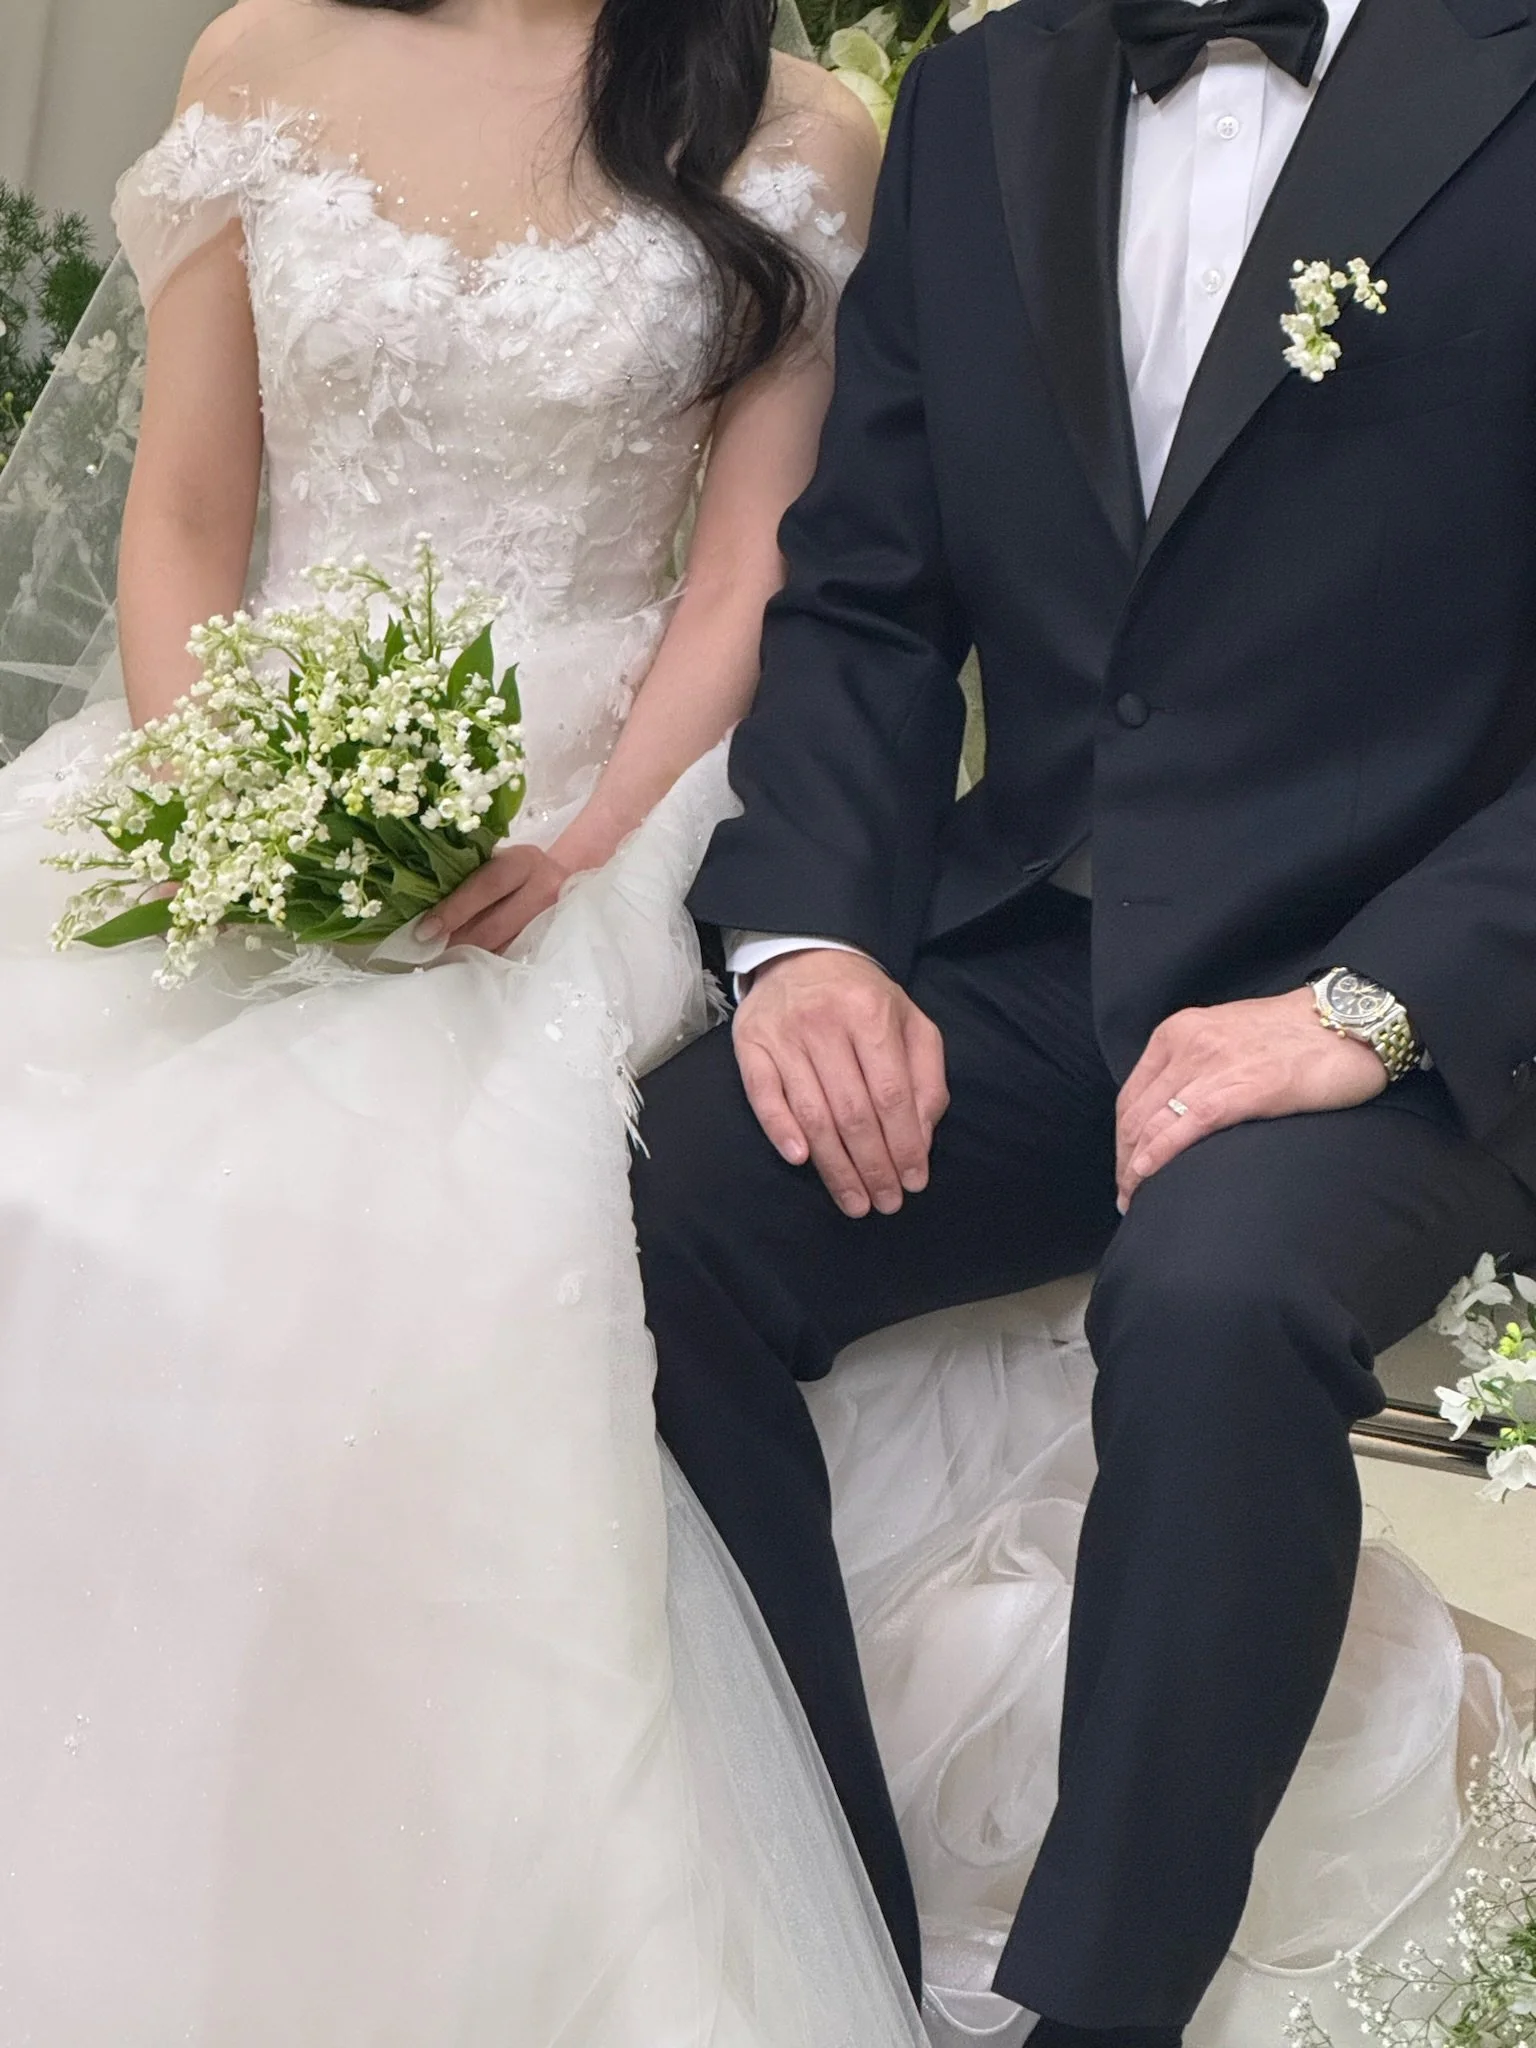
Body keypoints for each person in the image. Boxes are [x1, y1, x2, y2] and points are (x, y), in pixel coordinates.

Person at [0, 0, 928, 2039]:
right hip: (240, 755)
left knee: (408, 1238)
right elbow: (185, 515)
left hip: (595, 794)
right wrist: (236, 795)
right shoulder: (260, 58)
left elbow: (757, 568)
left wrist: (592, 834)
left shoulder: (795, 127)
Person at [632, 0, 1536, 2042]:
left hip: (1427, 982)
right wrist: (815, 942)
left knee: (1216, 1296)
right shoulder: (976, 97)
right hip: (1052, 943)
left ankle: (1098, 2011)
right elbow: (869, 589)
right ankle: (842, 1950)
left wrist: (1372, 1002)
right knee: (653, 1205)